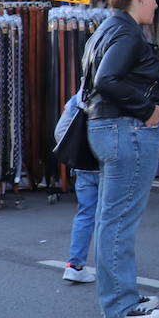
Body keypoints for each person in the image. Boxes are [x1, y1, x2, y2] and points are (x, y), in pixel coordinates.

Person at [81, 0, 159, 318]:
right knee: (119, 220)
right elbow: (107, 79)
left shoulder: (108, 28)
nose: (156, 4)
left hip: (110, 131)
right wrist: (147, 109)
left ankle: (122, 293)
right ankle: (120, 305)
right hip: (126, 131)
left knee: (112, 218)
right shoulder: (127, 33)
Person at [54, 91, 99, 284]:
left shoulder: (80, 96)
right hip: (107, 164)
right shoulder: (114, 90)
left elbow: (60, 131)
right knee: (112, 217)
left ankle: (75, 265)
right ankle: (110, 268)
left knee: (85, 213)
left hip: (83, 165)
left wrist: (77, 153)